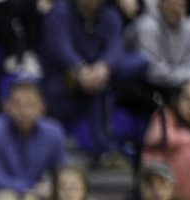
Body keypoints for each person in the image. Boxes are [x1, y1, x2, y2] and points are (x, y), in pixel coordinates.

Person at [38, 0, 140, 163]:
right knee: (98, 89)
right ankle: (106, 149)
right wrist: (80, 69)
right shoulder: (60, 11)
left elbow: (116, 44)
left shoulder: (110, 13)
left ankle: (106, 151)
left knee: (138, 62)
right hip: (61, 80)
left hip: (96, 77)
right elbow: (59, 46)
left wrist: (103, 66)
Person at [130, 0, 190, 93]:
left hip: (178, 86)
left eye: (180, 5)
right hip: (146, 87)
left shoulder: (187, 30)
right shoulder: (147, 26)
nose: (176, 8)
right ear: (161, 4)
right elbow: (153, 72)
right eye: (172, 3)